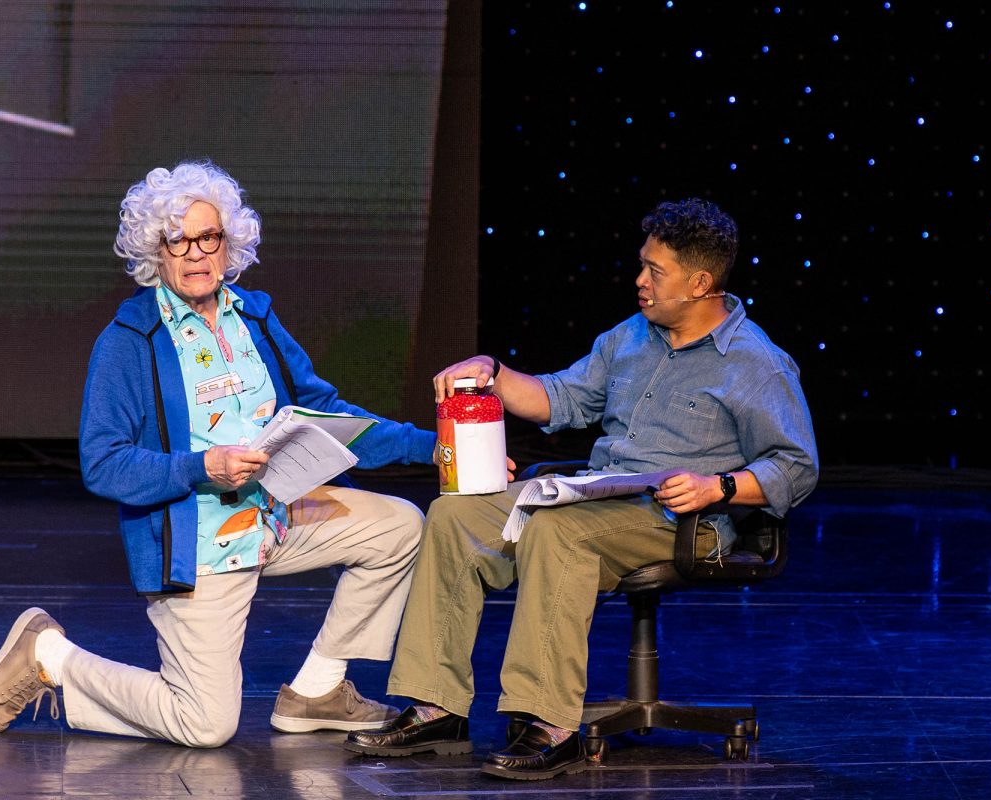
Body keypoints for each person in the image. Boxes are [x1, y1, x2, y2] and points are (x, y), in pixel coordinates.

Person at [346, 198, 819, 779]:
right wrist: (492, 373)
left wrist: (716, 487)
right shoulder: (631, 337)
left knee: (558, 531)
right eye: (642, 265)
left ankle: (549, 722)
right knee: (454, 516)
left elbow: (796, 466)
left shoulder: (756, 364)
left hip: (678, 518)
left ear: (700, 284)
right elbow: (560, 398)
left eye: (655, 271)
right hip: (598, 496)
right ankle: (436, 706)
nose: (640, 280)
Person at [0, 161, 436, 747]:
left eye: (208, 237)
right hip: (198, 544)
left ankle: (318, 690)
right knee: (206, 725)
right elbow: (103, 462)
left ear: (228, 243)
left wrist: (433, 446)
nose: (196, 253)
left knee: (399, 527)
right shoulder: (129, 341)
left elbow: (326, 413)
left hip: (276, 516)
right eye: (178, 240)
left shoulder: (255, 318)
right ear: (156, 251)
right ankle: (50, 657)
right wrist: (203, 467)